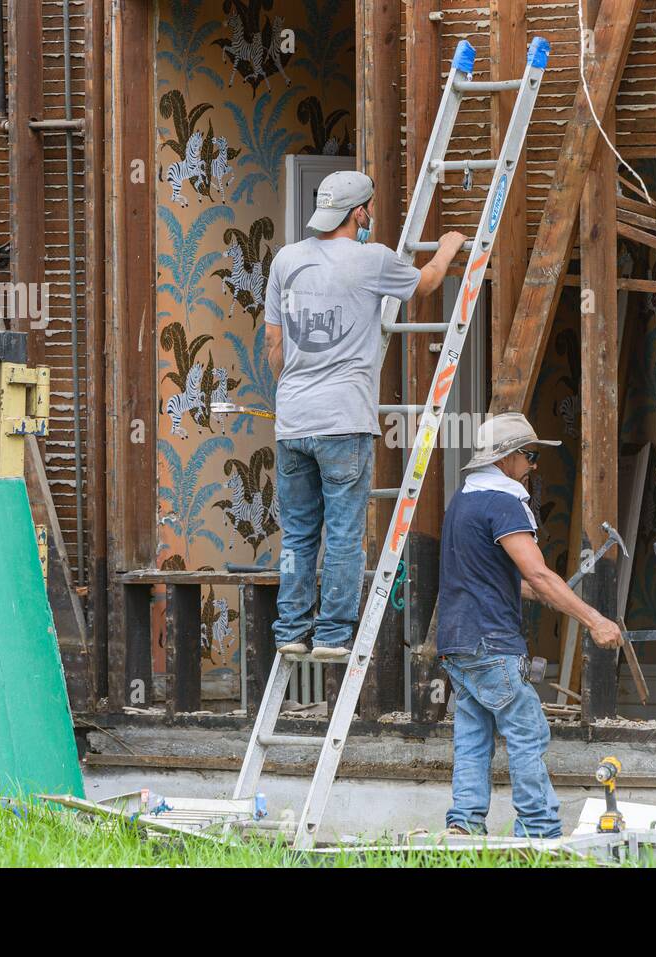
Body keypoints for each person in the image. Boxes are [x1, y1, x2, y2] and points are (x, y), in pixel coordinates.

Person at [263, 170, 466, 661]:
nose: (370, 216)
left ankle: (290, 628)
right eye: (368, 209)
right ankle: (332, 635)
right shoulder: (372, 259)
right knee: (345, 533)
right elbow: (428, 283)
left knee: (298, 533)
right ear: (359, 213)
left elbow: (274, 344)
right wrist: (450, 244)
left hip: (293, 422)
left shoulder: (287, 260)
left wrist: (295, 389)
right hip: (344, 420)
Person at [436, 412, 624, 838]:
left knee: (473, 734)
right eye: (530, 455)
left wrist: (550, 594)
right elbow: (536, 575)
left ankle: (464, 824)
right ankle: (539, 829)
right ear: (507, 458)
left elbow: (491, 577)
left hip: (458, 641)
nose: (533, 466)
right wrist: (594, 619)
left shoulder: (463, 499)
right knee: (526, 732)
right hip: (490, 640)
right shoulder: (504, 502)